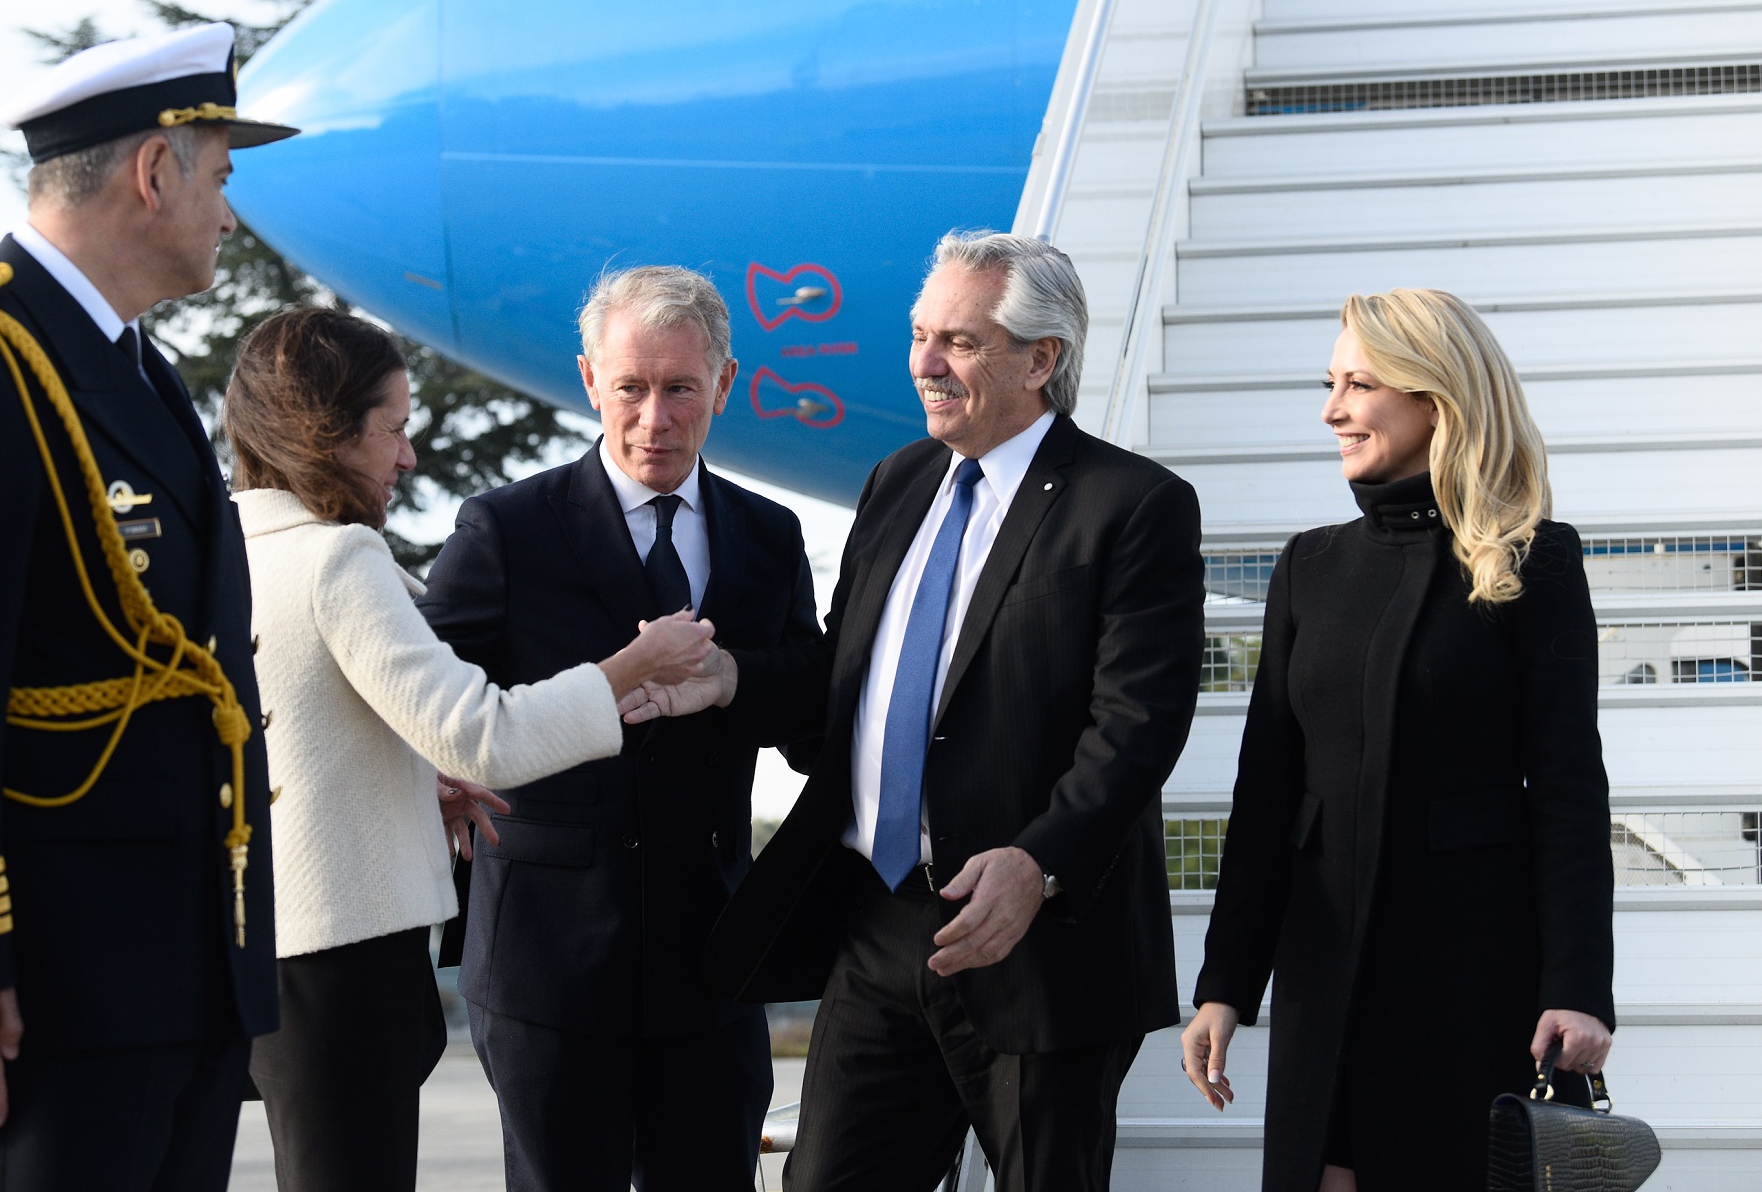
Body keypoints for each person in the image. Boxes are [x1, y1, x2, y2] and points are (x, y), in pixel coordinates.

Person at [0, 22, 299, 1191]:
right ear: (155, 171)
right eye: (220, 179)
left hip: (174, 966)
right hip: (38, 982)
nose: (228, 218)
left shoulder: (140, 370)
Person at [660, 229, 1207, 1192]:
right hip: (877, 927)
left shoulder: (1132, 504)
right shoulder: (898, 481)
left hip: (1037, 943)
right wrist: (736, 680)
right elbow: (849, 681)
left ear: (1042, 359)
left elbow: (1138, 721)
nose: (923, 363)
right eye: (921, 334)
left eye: (959, 340)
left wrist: (1040, 863)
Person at [221, 305, 719, 1191]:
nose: (406, 455)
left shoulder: (231, 548)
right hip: (346, 957)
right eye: (394, 429)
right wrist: (622, 672)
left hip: (265, 943)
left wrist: (418, 787)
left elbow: (291, 739)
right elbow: (479, 735)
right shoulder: (339, 558)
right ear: (327, 432)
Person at [1179, 288, 1615, 1192]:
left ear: (1436, 396)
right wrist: (1226, 981)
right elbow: (1265, 794)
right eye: (1330, 382)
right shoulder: (1310, 564)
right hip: (1323, 972)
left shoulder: (1537, 559)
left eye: (1360, 383)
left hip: (1467, 977)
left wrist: (1578, 983)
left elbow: (1570, 790)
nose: (1332, 408)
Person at [415, 265, 823, 1191]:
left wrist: (730, 682)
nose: (655, 418)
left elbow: (811, 707)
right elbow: (422, 696)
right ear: (590, 380)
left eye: (681, 388)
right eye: (631, 388)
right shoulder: (507, 528)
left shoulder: (770, 533)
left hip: (713, 965)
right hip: (547, 969)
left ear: (723, 385)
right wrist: (432, 774)